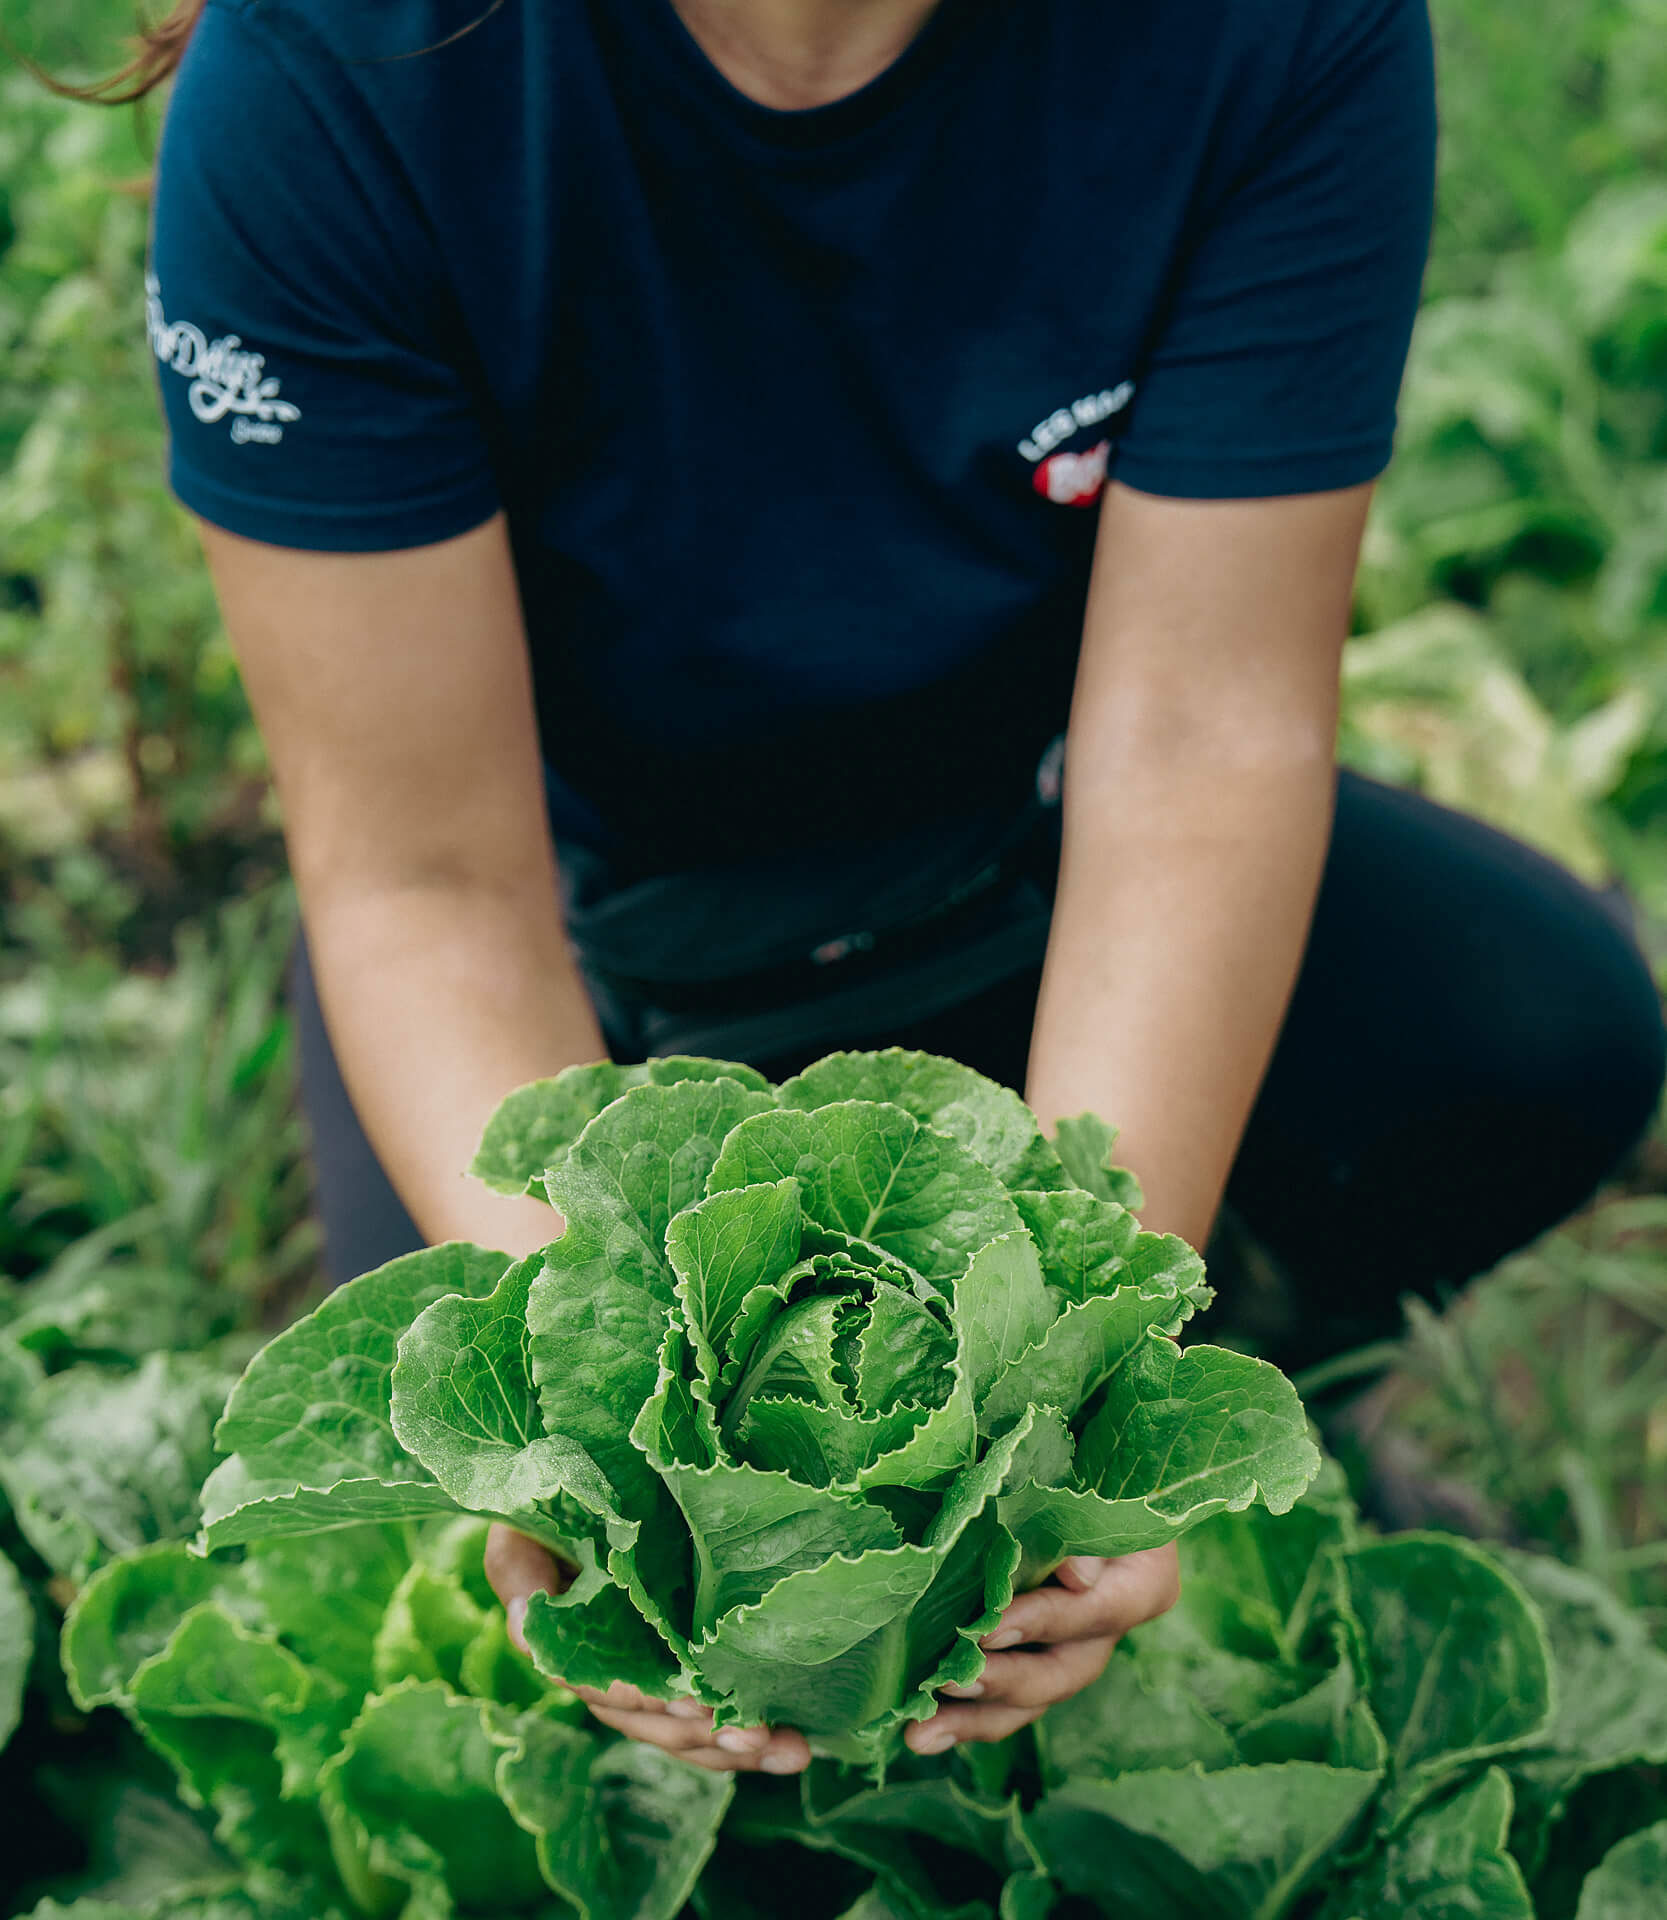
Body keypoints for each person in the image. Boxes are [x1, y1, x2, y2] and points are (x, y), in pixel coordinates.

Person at [43, 0, 1665, 1774]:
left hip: (1011, 849)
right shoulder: (342, 69)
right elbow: (427, 877)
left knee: (1539, 1041)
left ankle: (1281, 1395)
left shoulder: (1278, 31)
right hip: (587, 949)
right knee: (620, 1729)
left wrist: (1086, 1398)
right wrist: (616, 1456)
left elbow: (1200, 747)